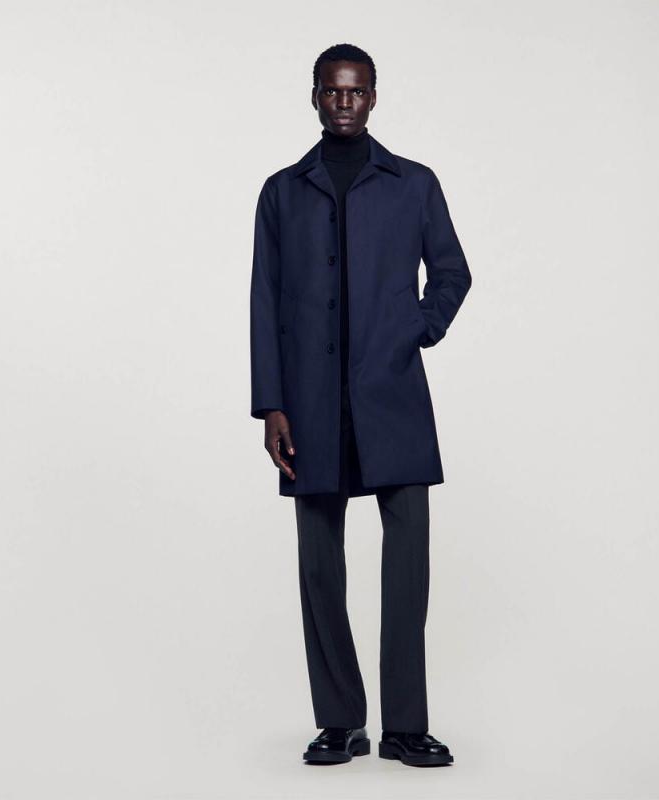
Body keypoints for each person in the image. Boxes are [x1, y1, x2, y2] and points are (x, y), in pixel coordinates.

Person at [249, 43, 471, 767]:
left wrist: (414, 329)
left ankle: (405, 726)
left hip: (392, 396)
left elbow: (451, 272)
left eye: (357, 91)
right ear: (314, 96)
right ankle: (339, 720)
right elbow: (264, 302)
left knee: (407, 568)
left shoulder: (414, 184)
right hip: (309, 405)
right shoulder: (282, 192)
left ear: (374, 97)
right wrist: (271, 405)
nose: (344, 102)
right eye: (332, 91)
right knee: (319, 566)